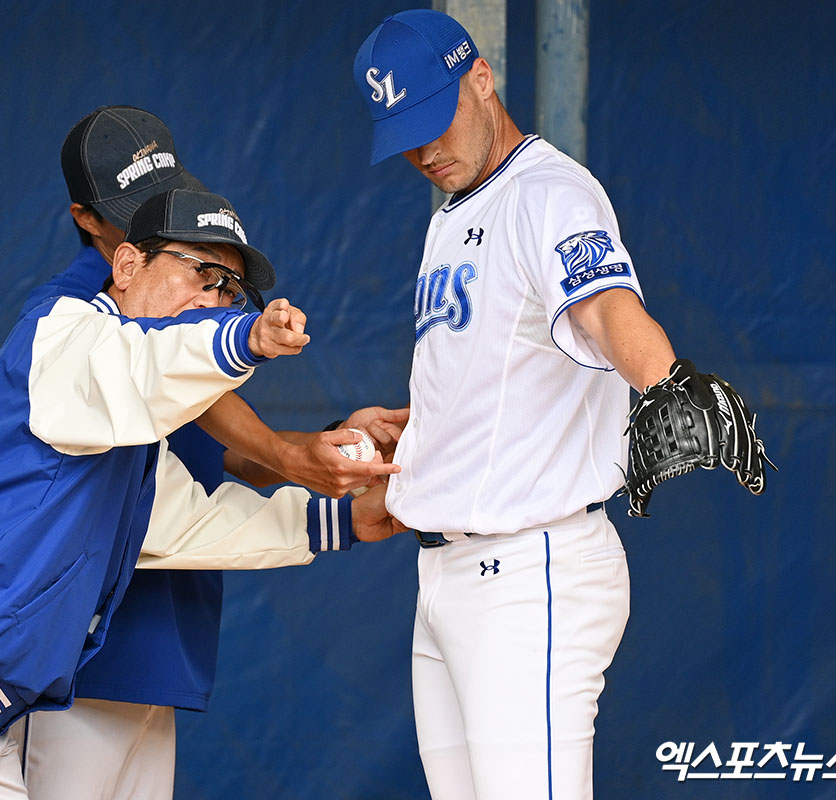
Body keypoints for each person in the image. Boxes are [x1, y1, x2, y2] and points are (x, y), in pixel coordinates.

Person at [0, 184, 404, 800]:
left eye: (229, 291)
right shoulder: (69, 332)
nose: (215, 301)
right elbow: (143, 366)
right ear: (126, 265)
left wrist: (343, 522)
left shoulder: (136, 430)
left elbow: (184, 524)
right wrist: (246, 339)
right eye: (202, 273)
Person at [15, 106, 408, 800]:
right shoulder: (78, 308)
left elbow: (206, 444)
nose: (152, 223)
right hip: (80, 644)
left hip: (160, 633)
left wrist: (321, 446)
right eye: (131, 213)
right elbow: (177, 386)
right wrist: (295, 461)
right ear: (86, 218)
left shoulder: (193, 278)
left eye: (160, 202)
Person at [353, 10, 680, 799]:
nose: (425, 150)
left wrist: (668, 384)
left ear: (482, 79)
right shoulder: (456, 211)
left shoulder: (548, 193)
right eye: (405, 135)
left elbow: (605, 309)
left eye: (435, 119)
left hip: (527, 571)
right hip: (451, 574)